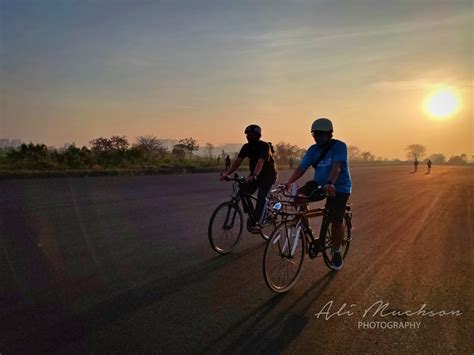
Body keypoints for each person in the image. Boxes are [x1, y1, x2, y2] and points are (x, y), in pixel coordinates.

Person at [284, 118, 351, 271]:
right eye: (315, 134)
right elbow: (302, 168)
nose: (318, 137)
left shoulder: (339, 146)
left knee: (336, 220)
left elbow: (337, 166)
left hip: (338, 187)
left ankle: (335, 250)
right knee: (298, 198)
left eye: (321, 134)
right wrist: (289, 182)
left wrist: (330, 183)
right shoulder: (313, 150)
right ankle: (305, 229)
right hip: (318, 183)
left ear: (329, 134)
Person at [220, 124, 278, 232]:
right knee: (243, 190)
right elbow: (237, 161)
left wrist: (254, 175)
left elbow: (260, 162)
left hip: (268, 176)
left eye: (252, 134)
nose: (249, 137)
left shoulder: (264, 146)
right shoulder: (246, 147)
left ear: (258, 135)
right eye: (248, 134)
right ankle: (252, 214)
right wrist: (227, 173)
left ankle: (257, 221)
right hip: (254, 175)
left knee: (261, 196)